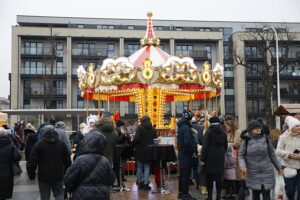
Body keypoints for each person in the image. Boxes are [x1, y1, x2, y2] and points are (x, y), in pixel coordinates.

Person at [64, 131, 115, 200]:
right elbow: (112, 179)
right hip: (101, 195)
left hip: (81, 195)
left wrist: (71, 189)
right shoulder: (105, 161)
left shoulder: (80, 160)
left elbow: (68, 179)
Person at [239, 120, 282, 200]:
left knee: (266, 197)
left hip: (267, 172)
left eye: (260, 127)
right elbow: (241, 155)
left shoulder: (265, 138)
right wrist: (242, 166)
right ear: (251, 130)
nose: (259, 129)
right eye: (257, 128)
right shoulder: (246, 140)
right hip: (253, 173)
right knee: (255, 196)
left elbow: (272, 154)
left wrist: (278, 167)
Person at [27, 127, 71, 200]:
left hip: (43, 176)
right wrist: (66, 173)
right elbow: (67, 161)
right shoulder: (62, 144)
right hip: (58, 175)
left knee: (45, 195)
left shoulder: (39, 145)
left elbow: (32, 161)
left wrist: (31, 174)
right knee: (59, 193)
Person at [201, 116, 228, 200]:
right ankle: (218, 197)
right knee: (219, 178)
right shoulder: (223, 132)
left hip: (210, 156)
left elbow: (205, 146)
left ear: (210, 122)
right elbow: (226, 145)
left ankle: (209, 197)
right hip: (220, 156)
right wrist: (222, 152)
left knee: (209, 178)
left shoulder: (208, 132)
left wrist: (202, 159)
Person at [276, 116, 300, 200]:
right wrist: (288, 154)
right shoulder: (284, 137)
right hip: (288, 167)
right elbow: (278, 151)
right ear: (291, 127)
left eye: (299, 125)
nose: (299, 127)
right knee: (290, 191)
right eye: (296, 126)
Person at [177, 110, 197, 200]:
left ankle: (181, 193)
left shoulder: (181, 127)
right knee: (185, 175)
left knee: (182, 174)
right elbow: (187, 142)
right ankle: (185, 194)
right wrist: (192, 152)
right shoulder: (186, 128)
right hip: (186, 155)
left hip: (182, 154)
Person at [134, 116, 157, 190]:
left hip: (140, 150)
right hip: (149, 150)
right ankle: (146, 183)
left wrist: (133, 143)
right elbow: (155, 140)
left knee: (140, 167)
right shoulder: (153, 129)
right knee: (147, 167)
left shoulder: (140, 128)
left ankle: (140, 182)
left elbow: (137, 139)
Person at [0, 128, 22, 200]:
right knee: (5, 194)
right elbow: (18, 157)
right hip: (7, 172)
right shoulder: (11, 145)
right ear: (6, 134)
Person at [224, 115, 242, 192]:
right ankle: (231, 191)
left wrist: (226, 144)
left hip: (236, 155)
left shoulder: (237, 132)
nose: (226, 127)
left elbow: (236, 144)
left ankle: (238, 190)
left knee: (237, 174)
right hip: (229, 157)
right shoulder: (226, 133)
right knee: (230, 175)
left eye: (227, 126)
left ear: (231, 125)